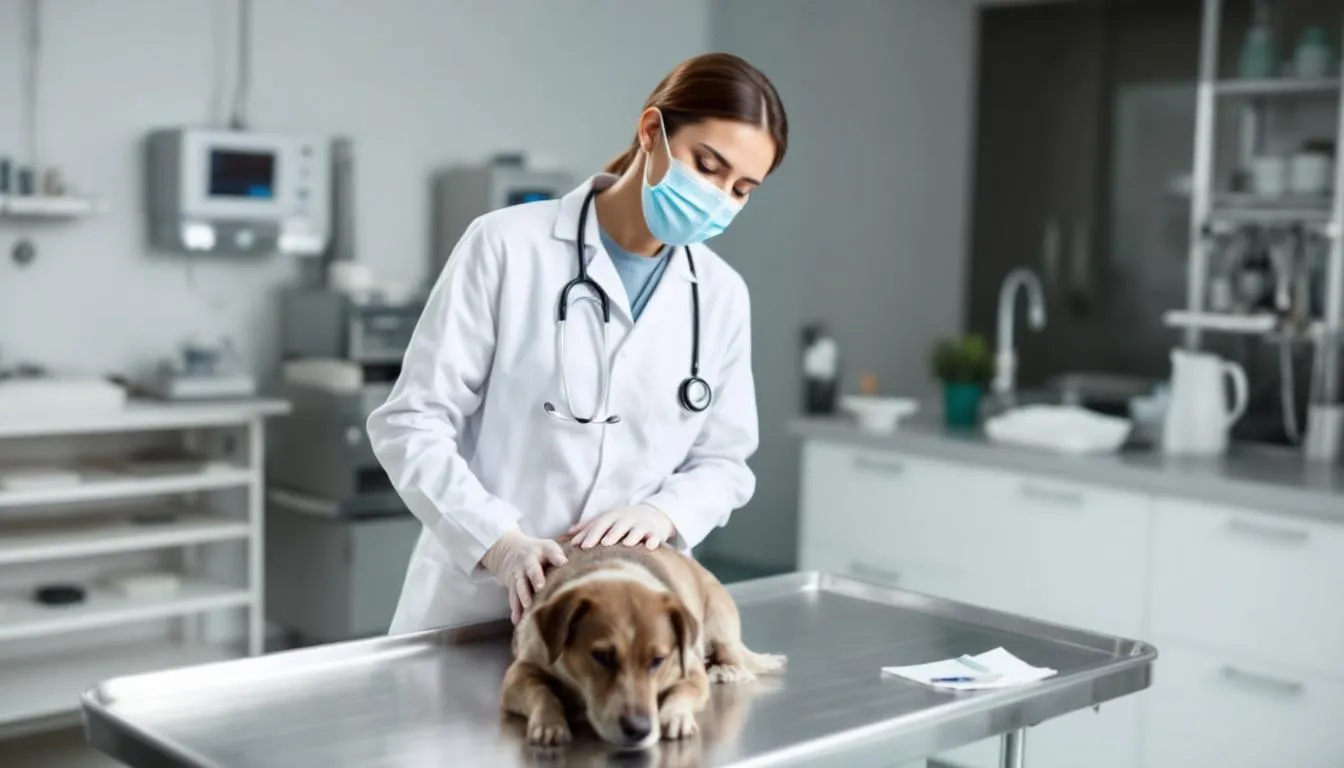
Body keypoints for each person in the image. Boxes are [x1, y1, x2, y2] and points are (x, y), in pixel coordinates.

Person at [368, 52, 789, 634]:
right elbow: (412, 422)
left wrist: (663, 512)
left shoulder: (720, 294)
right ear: (652, 131)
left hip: (627, 619)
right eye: (707, 165)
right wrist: (500, 543)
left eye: (741, 189)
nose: (719, 197)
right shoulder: (506, 246)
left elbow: (724, 461)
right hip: (478, 608)